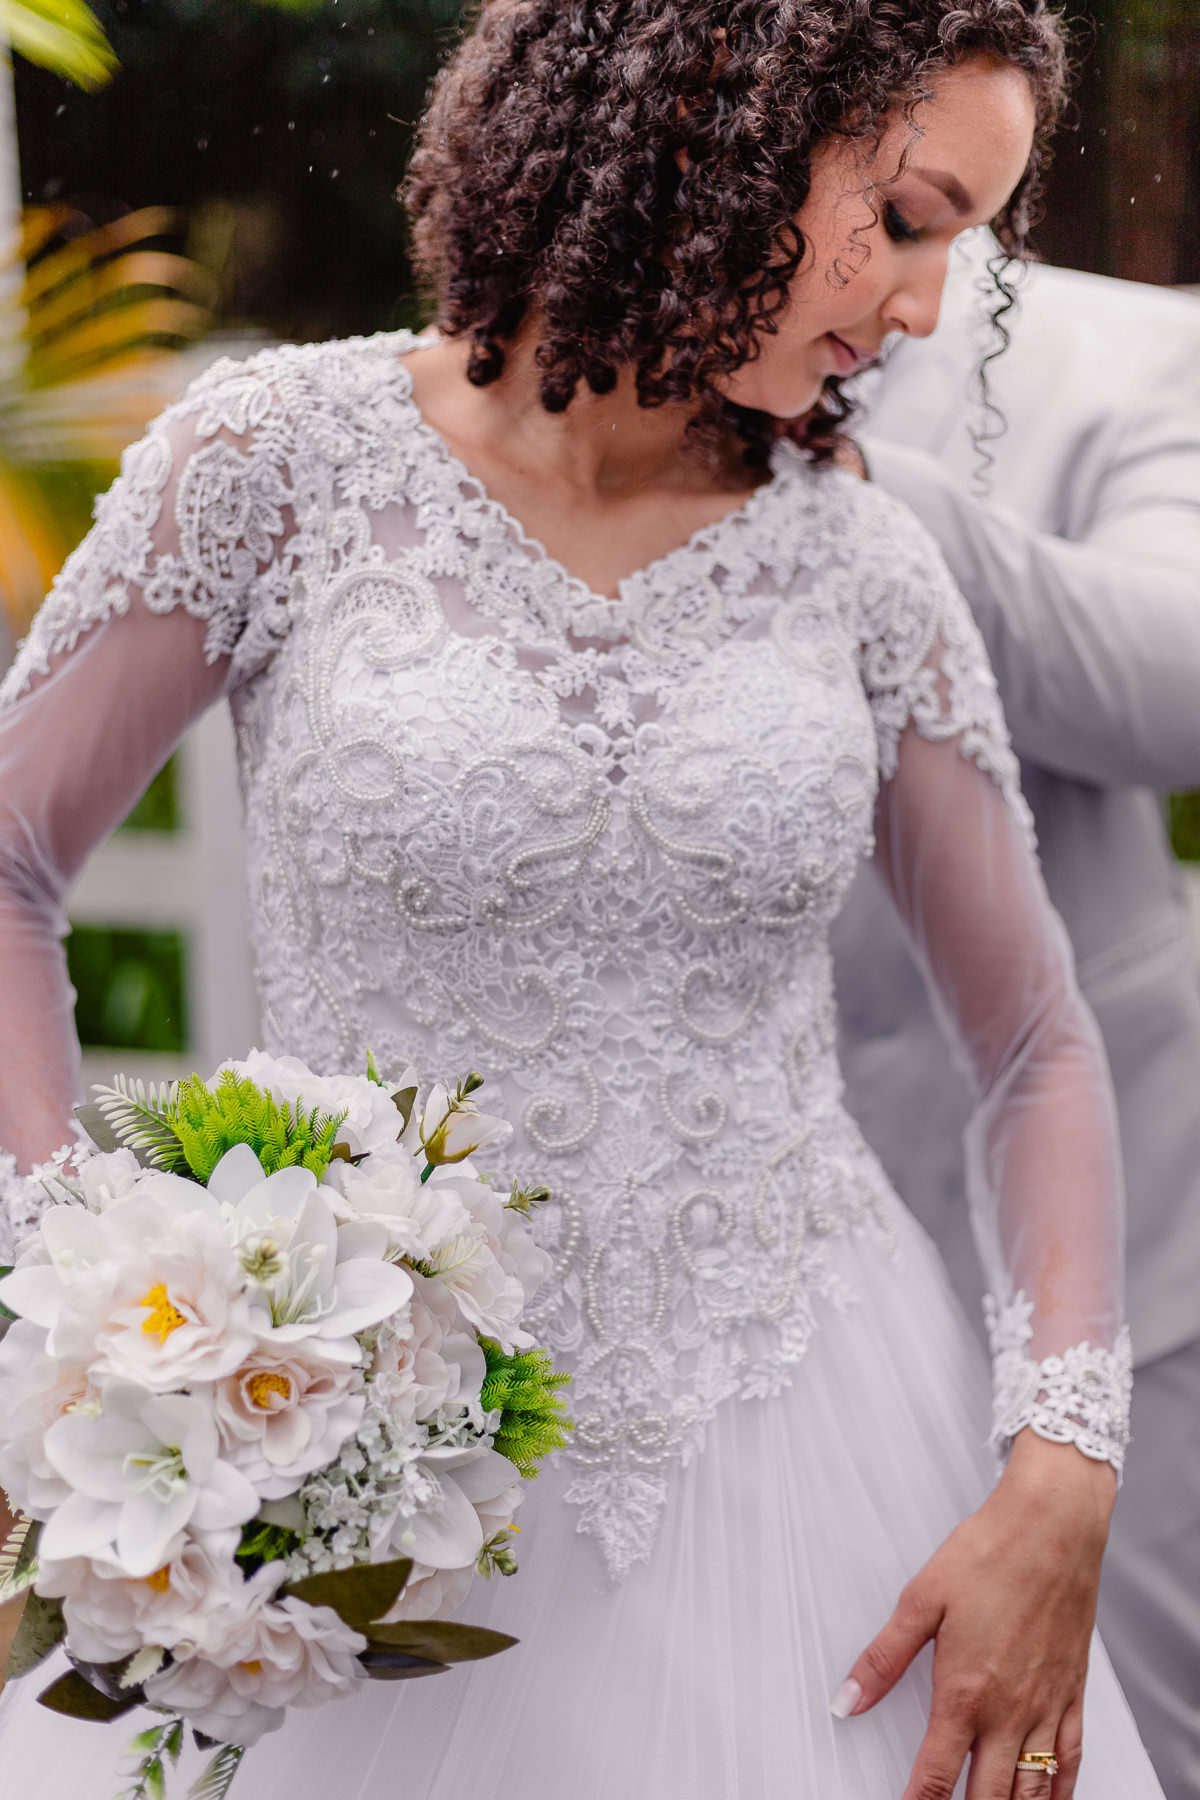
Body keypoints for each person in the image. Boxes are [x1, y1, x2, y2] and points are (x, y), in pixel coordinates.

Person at [0, 3, 1167, 1795]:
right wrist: (75, 1293)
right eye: (909, 219)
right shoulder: (276, 464)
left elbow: (1036, 1043)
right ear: (724, 123)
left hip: (819, 1434)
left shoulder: (860, 561)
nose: (929, 307)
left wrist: (1063, 1466)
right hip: (359, 1445)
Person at [833, 232, 1200, 1799]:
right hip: (748, 1282)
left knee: (1107, 1740)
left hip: (1102, 1249)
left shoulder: (1138, 349)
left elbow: (1178, 688)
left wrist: (862, 507)